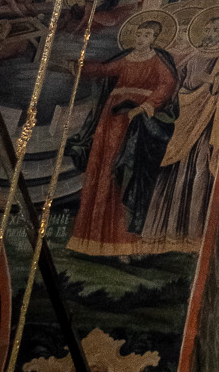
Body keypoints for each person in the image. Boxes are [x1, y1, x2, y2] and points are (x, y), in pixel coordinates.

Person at [69, 15, 180, 257]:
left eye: (146, 35)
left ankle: (122, 239)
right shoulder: (128, 57)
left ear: (155, 38)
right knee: (102, 166)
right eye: (139, 34)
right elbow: (103, 69)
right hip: (111, 117)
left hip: (133, 118)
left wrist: (144, 106)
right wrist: (77, 66)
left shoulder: (157, 60)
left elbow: (167, 84)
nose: (141, 38)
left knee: (118, 169)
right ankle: (92, 237)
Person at [138, 10, 219, 251]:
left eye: (216, 30)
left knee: (200, 169)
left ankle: (193, 237)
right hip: (184, 117)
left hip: (206, 119)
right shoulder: (192, 54)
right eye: (208, 29)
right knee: (173, 170)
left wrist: (213, 81)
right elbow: (177, 82)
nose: (210, 33)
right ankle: (160, 234)